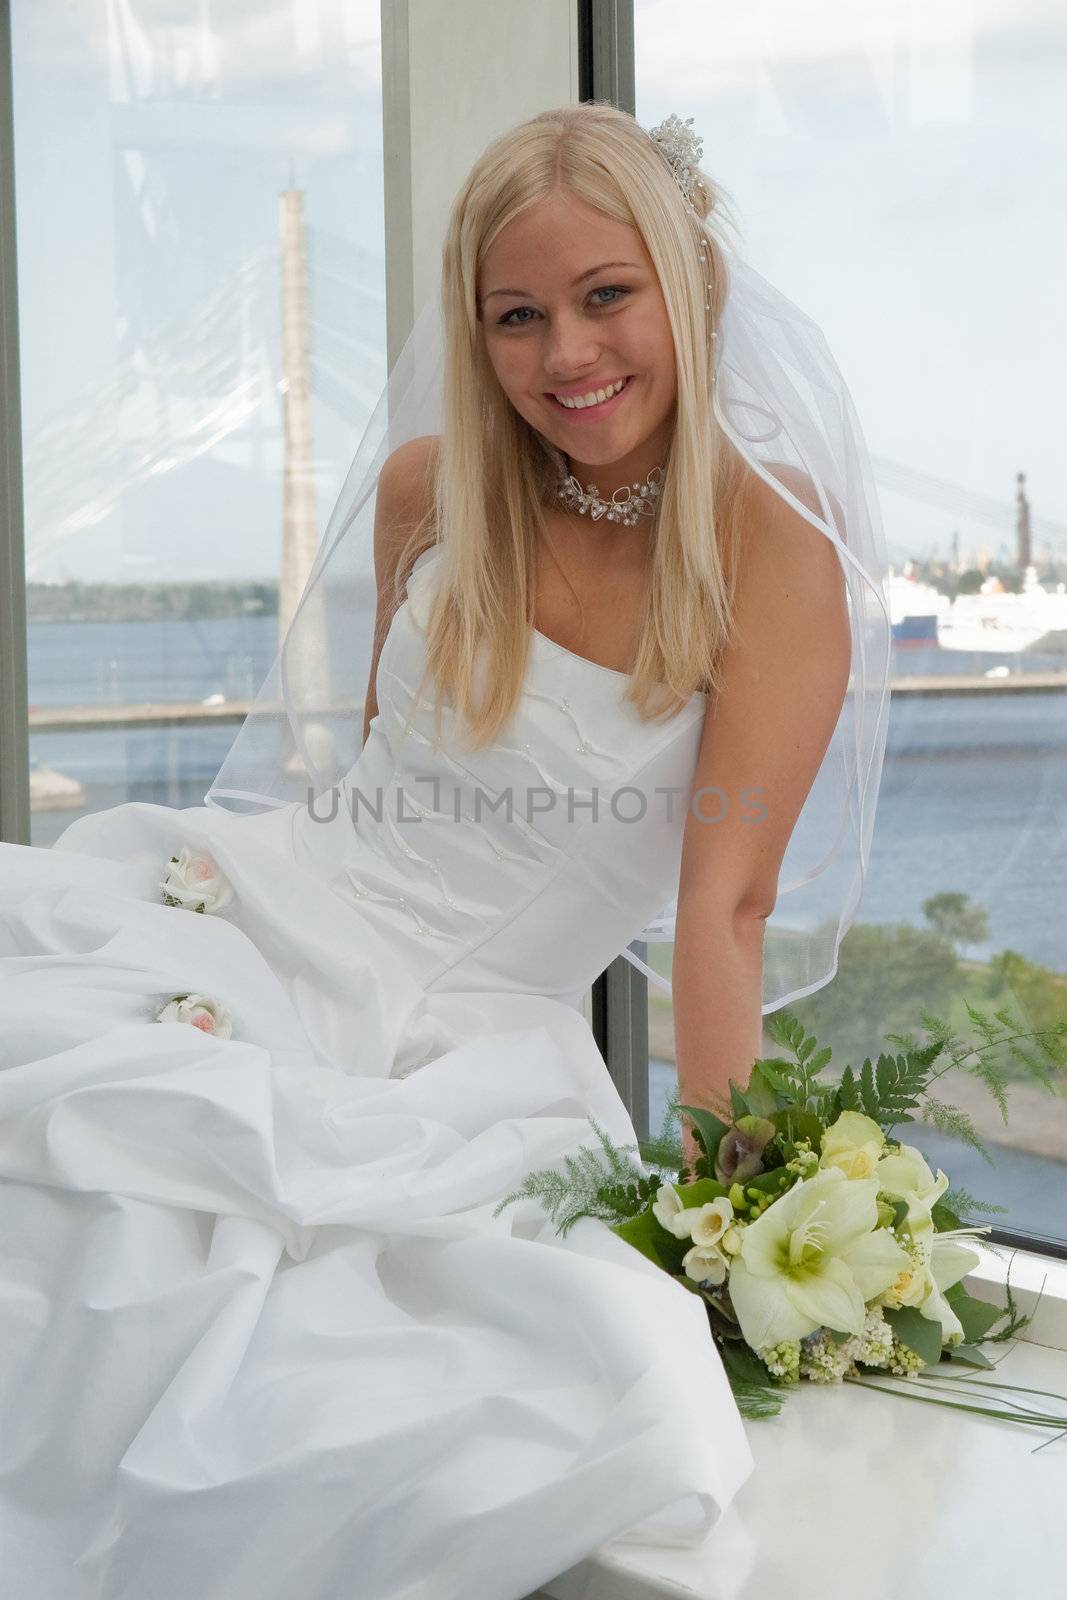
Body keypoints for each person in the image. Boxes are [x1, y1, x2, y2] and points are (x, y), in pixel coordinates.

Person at [0, 103, 889, 1600]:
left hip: (474, 1048)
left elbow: (724, 909)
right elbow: (375, 779)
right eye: (516, 317)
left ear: (693, 284)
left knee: (450, 1381)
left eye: (607, 296)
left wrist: (739, 1225)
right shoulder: (428, 490)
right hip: (261, 920)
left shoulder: (770, 556)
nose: (566, 355)